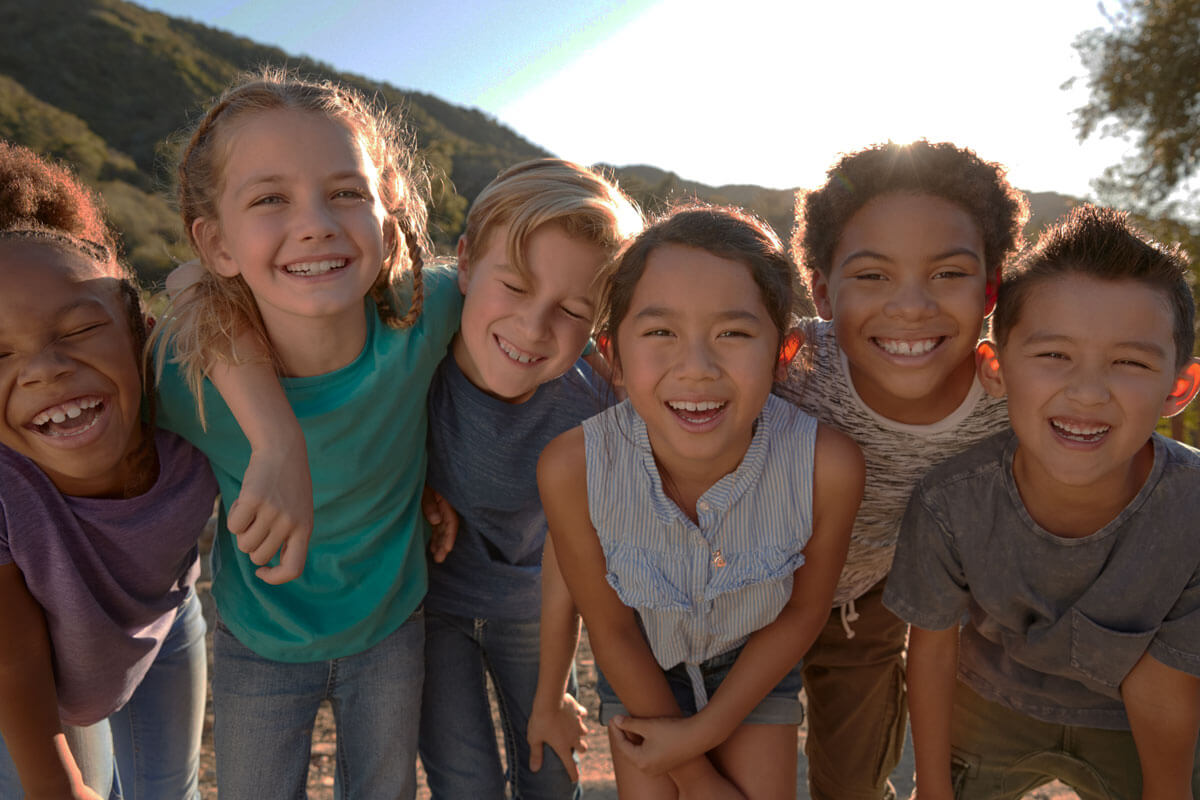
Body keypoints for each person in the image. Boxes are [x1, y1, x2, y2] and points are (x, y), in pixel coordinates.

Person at [152, 70, 462, 798]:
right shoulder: (181, 374)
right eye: (269, 199)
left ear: (389, 218)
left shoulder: (426, 312)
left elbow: (539, 307)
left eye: (347, 191)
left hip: (391, 626)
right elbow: (182, 282)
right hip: (260, 641)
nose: (316, 221)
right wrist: (275, 436)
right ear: (218, 242)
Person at [540, 204, 864, 798]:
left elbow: (802, 612)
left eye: (733, 333)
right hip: (641, 663)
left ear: (783, 353)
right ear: (613, 352)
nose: (696, 369)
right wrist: (694, 777)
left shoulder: (827, 465)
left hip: (755, 664)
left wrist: (703, 734)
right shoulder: (572, 467)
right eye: (660, 332)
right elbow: (611, 629)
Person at [885, 204, 1200, 800]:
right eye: (1054, 355)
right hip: (989, 700)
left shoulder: (1192, 513)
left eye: (1130, 362)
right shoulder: (952, 502)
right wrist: (931, 788)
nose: (1087, 392)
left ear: (1177, 389)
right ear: (996, 368)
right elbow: (928, 649)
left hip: (1129, 720)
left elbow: (1169, 683)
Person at [776, 140, 1028, 800]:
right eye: (873, 276)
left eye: (948, 274)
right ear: (823, 292)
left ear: (991, 288)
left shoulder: (1011, 401)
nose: (911, 306)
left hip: (861, 607)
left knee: (851, 783)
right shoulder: (786, 364)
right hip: (738, 598)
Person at [0, 142, 218, 799]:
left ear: (141, 336)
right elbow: (15, 661)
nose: (42, 369)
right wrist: (55, 785)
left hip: (165, 626)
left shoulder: (195, 418)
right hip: (38, 680)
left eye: (75, 331)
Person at [419, 158, 641, 799]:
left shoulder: (595, 405)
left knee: (551, 776)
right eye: (515, 286)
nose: (533, 326)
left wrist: (554, 692)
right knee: (467, 786)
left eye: (572, 309)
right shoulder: (415, 360)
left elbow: (574, 559)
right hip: (432, 609)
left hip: (537, 611)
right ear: (464, 263)